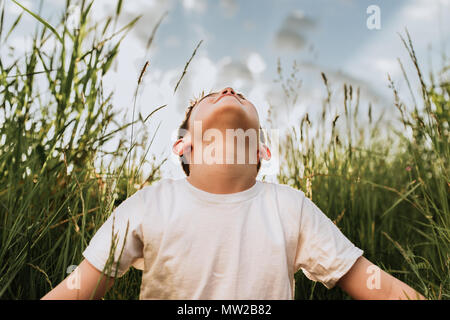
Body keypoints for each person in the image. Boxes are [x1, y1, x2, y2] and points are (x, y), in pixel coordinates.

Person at [42, 87, 425, 300]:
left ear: (262, 152)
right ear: (183, 146)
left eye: (240, 95)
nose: (227, 90)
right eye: (208, 97)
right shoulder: (147, 205)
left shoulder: (290, 207)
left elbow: (379, 287)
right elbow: (75, 292)